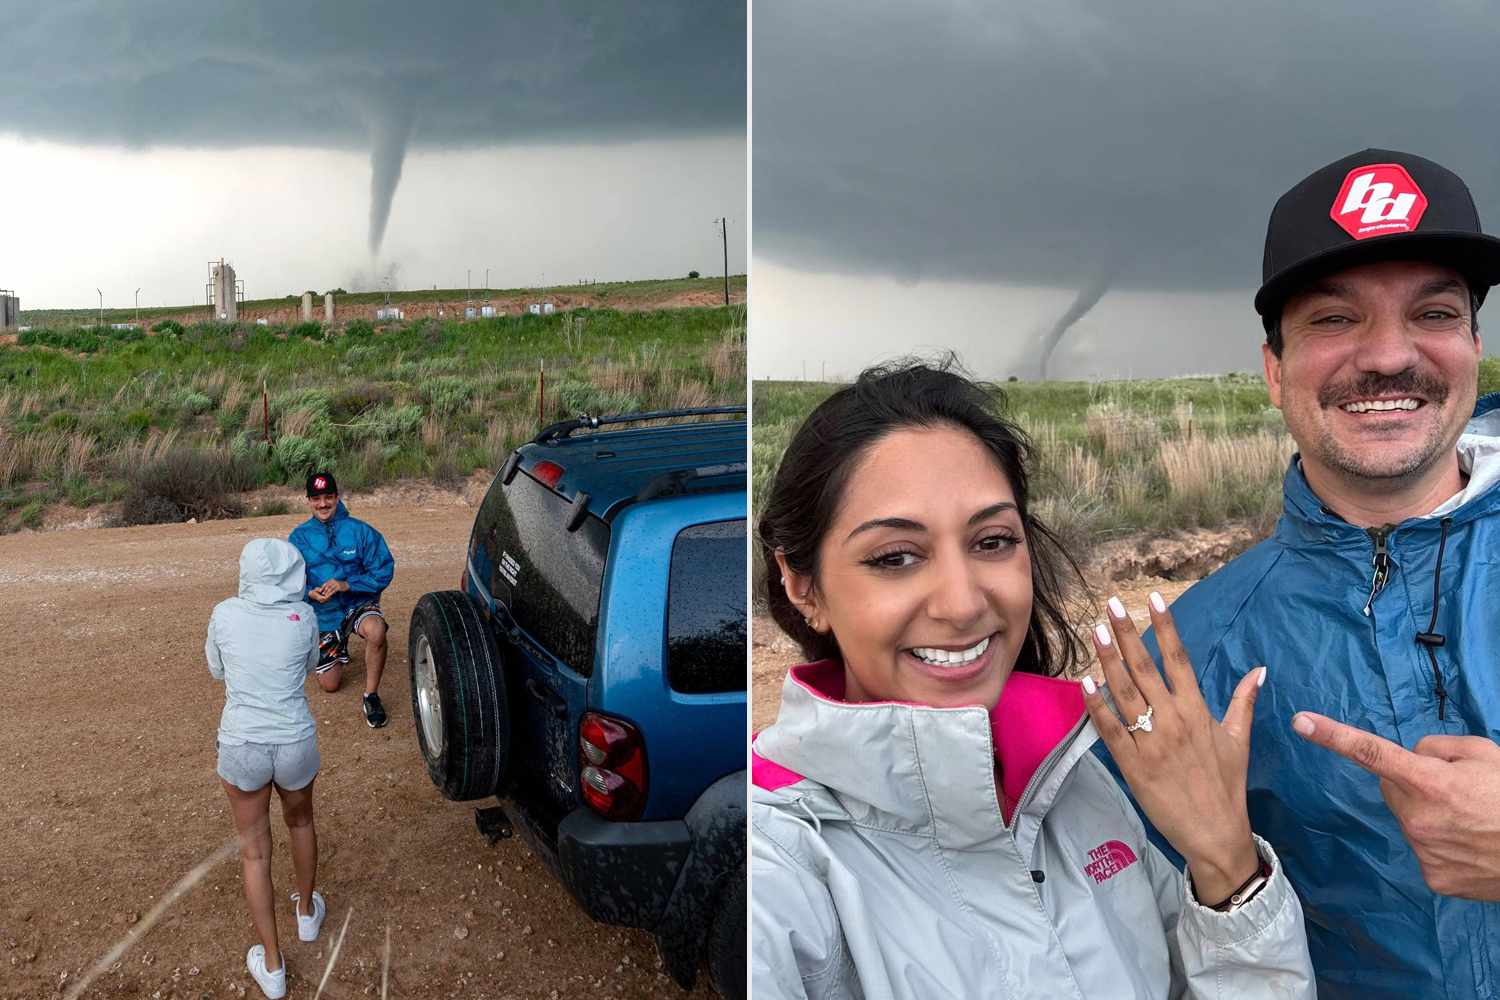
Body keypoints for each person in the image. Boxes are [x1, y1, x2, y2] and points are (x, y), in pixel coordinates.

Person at [750, 362, 1312, 999]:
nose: (962, 604)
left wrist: (1227, 866)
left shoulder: (1078, 783)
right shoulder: (777, 865)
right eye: (896, 557)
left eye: (991, 542)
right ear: (803, 586)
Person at [1106, 148, 1500, 998]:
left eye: (1431, 313)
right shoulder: (1186, 665)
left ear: (1474, 343)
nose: (1390, 356)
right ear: (1274, 369)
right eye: (1334, 319)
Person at [209, 538, 329, 1000]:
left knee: (255, 854)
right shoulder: (304, 617)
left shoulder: (224, 613)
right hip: (293, 738)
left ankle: (274, 967)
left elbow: (216, 670)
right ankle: (306, 914)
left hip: (244, 742)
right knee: (301, 821)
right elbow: (312, 665)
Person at [288, 471, 396, 729]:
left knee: (376, 631)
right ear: (308, 501)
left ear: (337, 497)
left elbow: (383, 570)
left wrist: (348, 584)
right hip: (324, 613)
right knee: (330, 685)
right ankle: (333, 646)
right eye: (316, 498)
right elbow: (288, 581)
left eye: (328, 497)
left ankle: (371, 696)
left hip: (356, 603)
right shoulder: (298, 538)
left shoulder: (361, 531)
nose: (323, 504)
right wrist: (308, 593)